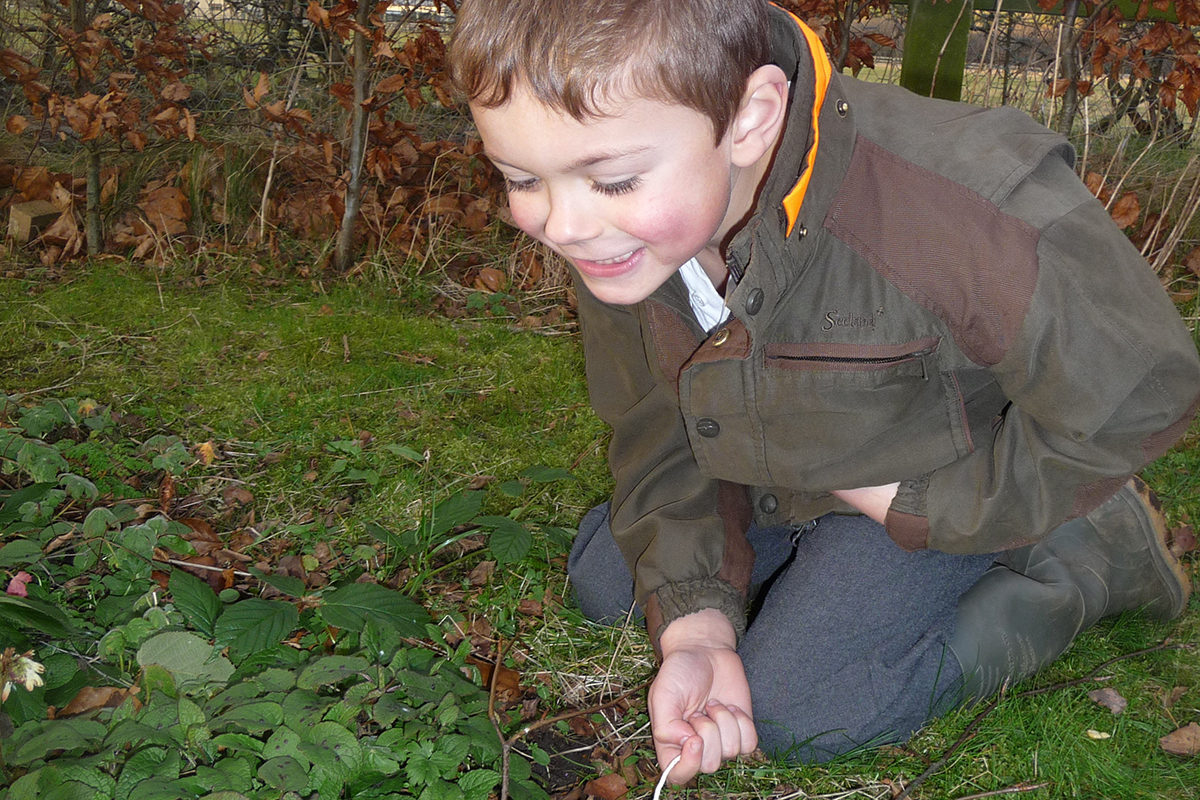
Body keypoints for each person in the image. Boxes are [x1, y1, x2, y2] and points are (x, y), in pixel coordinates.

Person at [447, 0, 1200, 785]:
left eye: (614, 179)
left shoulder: (962, 200)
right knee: (612, 580)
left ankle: (1088, 555)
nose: (562, 225)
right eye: (521, 178)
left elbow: (1144, 388)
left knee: (797, 711)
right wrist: (698, 630)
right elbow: (654, 425)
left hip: (928, 477)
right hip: (766, 462)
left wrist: (939, 506)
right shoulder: (621, 228)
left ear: (749, 118)